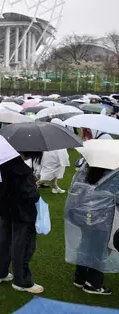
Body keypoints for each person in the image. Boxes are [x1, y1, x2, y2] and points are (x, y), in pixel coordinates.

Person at [0, 154, 43, 294]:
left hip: (5, 208)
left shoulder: (2, 163)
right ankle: (22, 281)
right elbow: (29, 193)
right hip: (22, 212)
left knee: (3, 240)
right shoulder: (21, 170)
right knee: (22, 245)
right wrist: (35, 189)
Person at [72, 166, 113, 295]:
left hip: (85, 214)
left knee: (86, 244)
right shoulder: (112, 174)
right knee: (99, 249)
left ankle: (80, 277)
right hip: (103, 218)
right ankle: (93, 283)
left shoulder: (87, 168)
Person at [38, 120, 70, 194]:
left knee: (55, 172)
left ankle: (55, 187)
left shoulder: (50, 132)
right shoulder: (54, 134)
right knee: (48, 174)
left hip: (52, 154)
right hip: (53, 155)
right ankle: (33, 186)